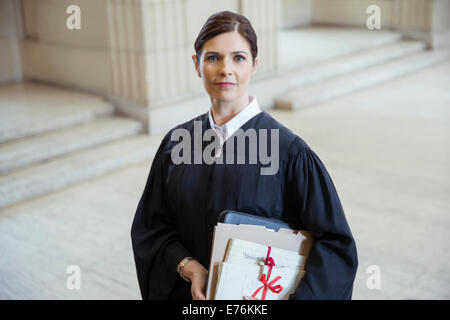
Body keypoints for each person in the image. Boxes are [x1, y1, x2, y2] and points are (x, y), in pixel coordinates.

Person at [131, 10, 358, 300]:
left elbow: (335, 247)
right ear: (197, 65)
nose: (226, 69)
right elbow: (152, 227)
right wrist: (188, 267)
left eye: (238, 58)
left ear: (254, 65)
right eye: (213, 57)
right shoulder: (177, 145)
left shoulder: (289, 152)